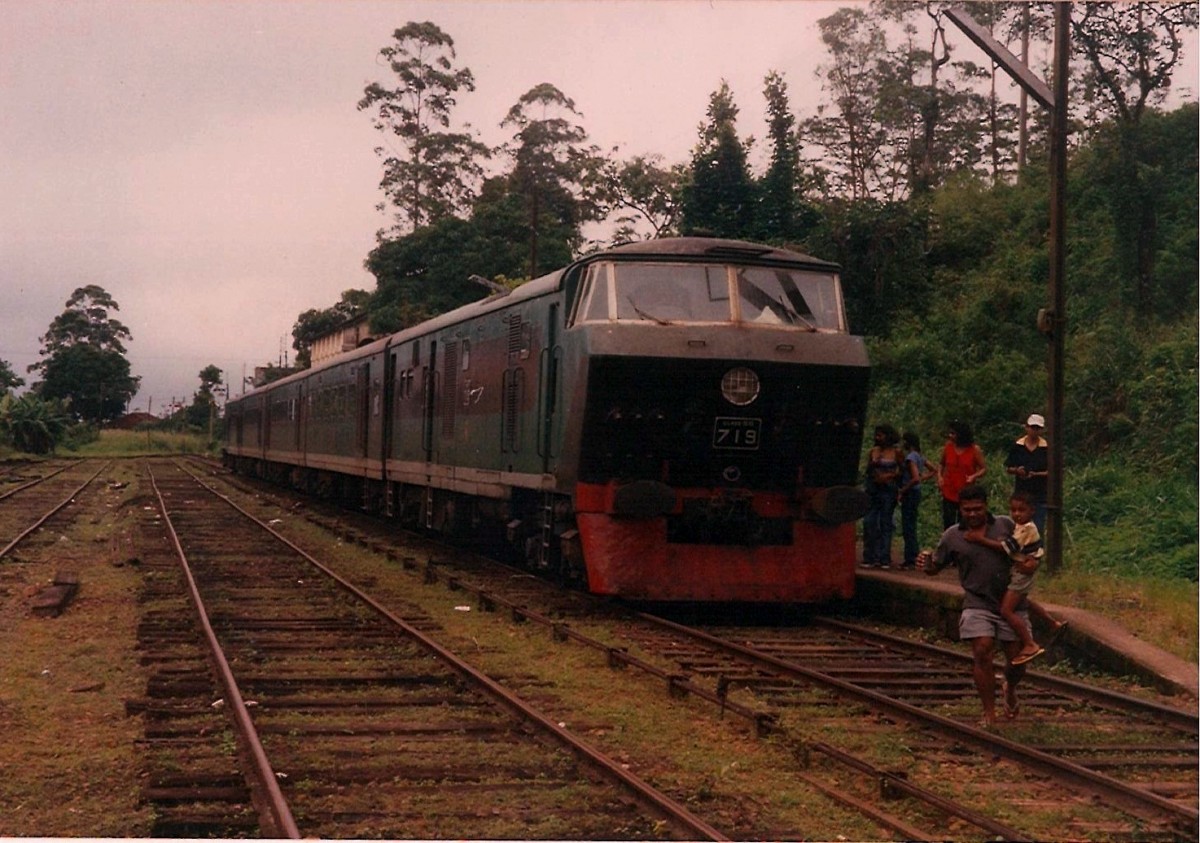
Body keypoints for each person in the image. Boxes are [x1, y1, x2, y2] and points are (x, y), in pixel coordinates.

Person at [918, 484, 1028, 728]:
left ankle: (1010, 688)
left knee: (1018, 661)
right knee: (982, 650)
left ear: (986, 506)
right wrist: (926, 563)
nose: (972, 514)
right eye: (967, 510)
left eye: (977, 509)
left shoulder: (1005, 526)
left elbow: (1021, 554)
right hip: (977, 602)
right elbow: (935, 567)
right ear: (960, 509)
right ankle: (989, 711)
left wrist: (983, 541)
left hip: (1010, 602)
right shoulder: (952, 536)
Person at [965, 490, 1067, 663]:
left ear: (1032, 511)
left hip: (1021, 574)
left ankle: (1029, 643)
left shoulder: (1027, 528)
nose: (1017, 514)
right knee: (1023, 601)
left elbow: (1008, 547)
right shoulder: (1021, 526)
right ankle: (1052, 623)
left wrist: (980, 540)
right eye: (1013, 510)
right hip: (1019, 570)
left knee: (1006, 610)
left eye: (1021, 510)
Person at [862, 424, 902, 569]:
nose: (877, 438)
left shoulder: (896, 453)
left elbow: (902, 471)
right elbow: (867, 471)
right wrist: (874, 465)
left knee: (885, 523)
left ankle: (884, 557)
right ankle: (869, 557)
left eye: (881, 435)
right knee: (869, 522)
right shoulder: (873, 451)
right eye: (876, 435)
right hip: (873, 490)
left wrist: (890, 476)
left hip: (888, 490)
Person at [1005, 413, 1049, 536]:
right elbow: (1008, 468)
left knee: (1037, 528)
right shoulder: (1018, 446)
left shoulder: (1046, 448)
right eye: (1032, 427)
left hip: (1039, 493)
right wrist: (1017, 471)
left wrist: (1036, 474)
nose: (1034, 431)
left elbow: (1052, 472)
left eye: (1037, 428)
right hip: (1021, 493)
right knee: (1019, 527)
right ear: (1026, 427)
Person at [897, 431, 936, 570]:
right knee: (911, 525)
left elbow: (914, 478)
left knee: (908, 526)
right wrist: (922, 478)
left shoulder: (910, 457)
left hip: (910, 493)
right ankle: (912, 555)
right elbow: (933, 470)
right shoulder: (919, 456)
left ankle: (910, 558)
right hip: (916, 492)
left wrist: (903, 489)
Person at [938, 420, 986, 530]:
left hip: (966, 492)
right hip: (949, 491)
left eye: (953, 434)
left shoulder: (974, 450)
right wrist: (940, 477)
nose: (950, 436)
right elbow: (941, 464)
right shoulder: (948, 447)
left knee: (964, 522)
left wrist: (974, 476)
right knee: (948, 522)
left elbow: (983, 468)